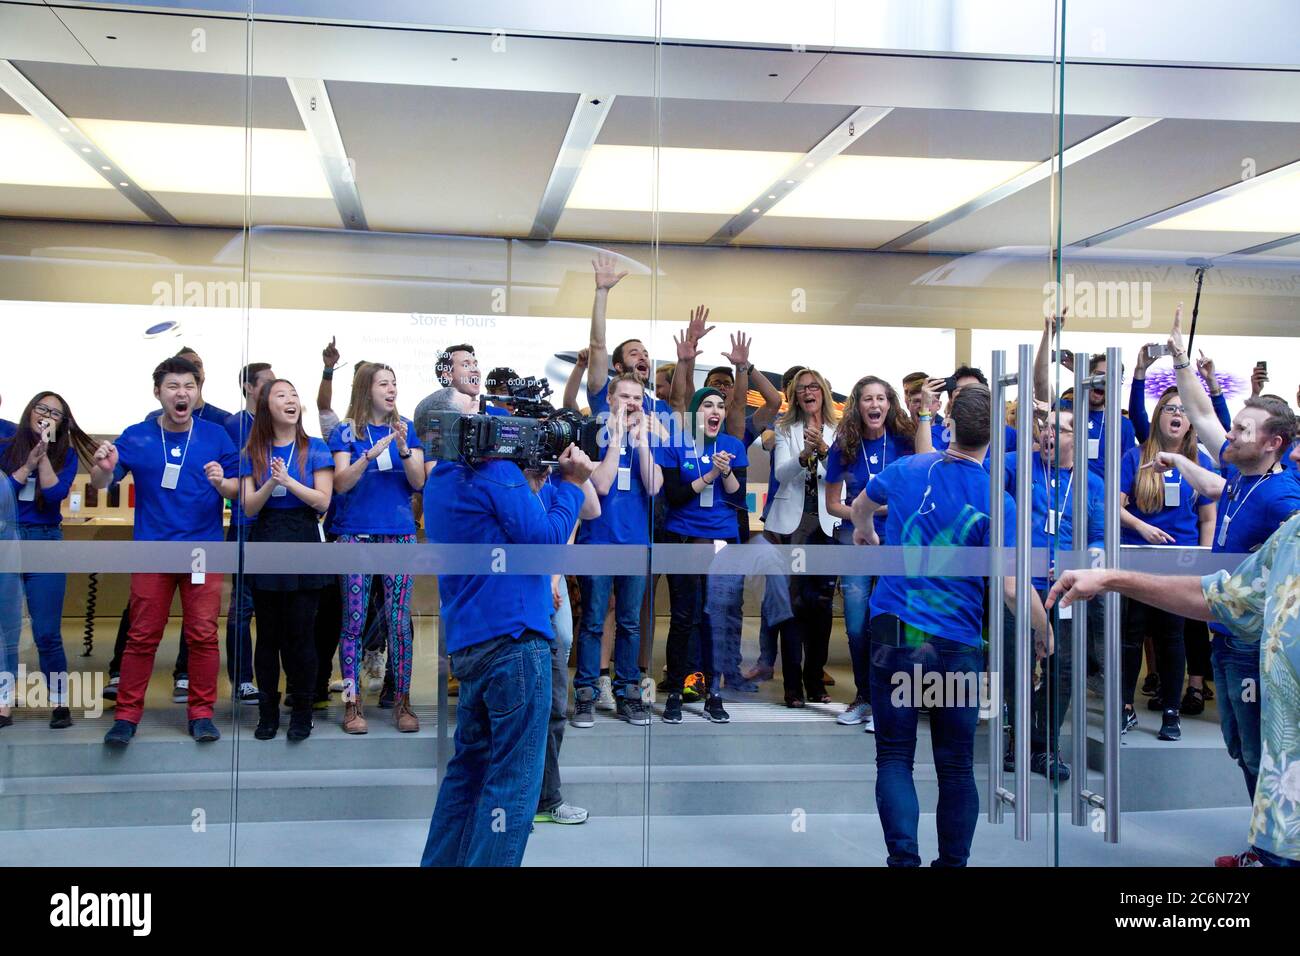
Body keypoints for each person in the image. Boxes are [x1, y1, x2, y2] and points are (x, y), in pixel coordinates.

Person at [851, 384, 1051, 867]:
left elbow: (860, 505)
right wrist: (1043, 634)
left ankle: (904, 861)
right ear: (994, 439)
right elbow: (1009, 589)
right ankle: (952, 865)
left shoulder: (906, 469)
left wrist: (866, 530)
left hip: (896, 634)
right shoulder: (999, 501)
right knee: (957, 765)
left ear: (947, 426)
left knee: (895, 757)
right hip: (957, 645)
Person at [1046, 503, 1300, 867]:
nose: (1294, 454)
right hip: (1284, 821)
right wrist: (1111, 579)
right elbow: (1223, 599)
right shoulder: (1292, 535)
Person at [421, 435, 595, 867]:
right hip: (515, 639)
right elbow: (544, 543)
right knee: (513, 785)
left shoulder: (441, 478)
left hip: (470, 641)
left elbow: (507, 528)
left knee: (467, 776)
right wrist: (571, 483)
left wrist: (534, 486)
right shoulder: (497, 473)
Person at [1166, 306, 1300, 865]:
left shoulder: (1285, 499)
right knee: (1240, 747)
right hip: (1225, 637)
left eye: (1242, 429)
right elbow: (1200, 414)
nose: (1229, 433)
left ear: (1271, 443)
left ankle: (1269, 852)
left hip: (1253, 643)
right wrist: (1178, 359)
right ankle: (1265, 847)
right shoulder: (1244, 474)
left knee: (1260, 753)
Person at [92, 356, 240, 747]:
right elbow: (103, 480)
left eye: (189, 386)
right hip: (153, 553)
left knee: (203, 636)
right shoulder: (137, 435)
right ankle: (126, 716)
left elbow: (238, 488)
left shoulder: (215, 436)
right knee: (142, 636)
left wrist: (223, 483)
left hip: (201, 552)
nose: (182, 393)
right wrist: (103, 468)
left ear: (198, 391)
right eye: (173, 386)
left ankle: (201, 714)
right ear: (157, 392)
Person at [998, 407, 1104, 779]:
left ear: (1077, 439)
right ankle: (1018, 739)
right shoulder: (1015, 467)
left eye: (1060, 430)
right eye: (1045, 426)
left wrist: (1084, 566)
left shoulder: (1092, 483)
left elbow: (1100, 538)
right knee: (1016, 666)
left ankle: (1045, 745)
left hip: (1068, 592)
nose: (1048, 434)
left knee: (1064, 671)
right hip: (1020, 589)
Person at [328, 362, 425, 734]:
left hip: (399, 534)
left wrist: (401, 448)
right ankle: (352, 704)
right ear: (366, 389)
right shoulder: (345, 431)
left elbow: (418, 483)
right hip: (356, 534)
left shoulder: (408, 430)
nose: (391, 389)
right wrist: (368, 455)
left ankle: (402, 701)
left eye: (394, 383)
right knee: (353, 622)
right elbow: (340, 483)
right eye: (384, 383)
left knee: (399, 622)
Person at [1118, 387, 1217, 741]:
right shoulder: (1133, 457)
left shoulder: (1201, 463)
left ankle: (1171, 713)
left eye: (1183, 409)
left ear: (1191, 421)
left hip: (1180, 564)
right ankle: (1125, 708)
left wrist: (1204, 564)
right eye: (1170, 408)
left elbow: (1208, 519)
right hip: (1136, 558)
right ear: (1158, 415)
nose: (1177, 414)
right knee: (1130, 636)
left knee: (1172, 637)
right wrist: (1141, 526)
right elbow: (1115, 507)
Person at [240, 379, 334, 741]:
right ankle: (267, 712)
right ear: (267, 407)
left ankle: (302, 710)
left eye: (294, 394)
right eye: (281, 395)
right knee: (267, 635)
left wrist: (288, 481)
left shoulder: (315, 448)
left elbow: (323, 501)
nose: (291, 400)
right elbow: (248, 506)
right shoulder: (254, 451)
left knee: (301, 633)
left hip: (303, 536)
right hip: (266, 536)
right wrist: (270, 482)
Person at [824, 374, 921, 726]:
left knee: (892, 622)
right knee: (854, 624)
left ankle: (890, 700)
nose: (875, 405)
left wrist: (869, 507)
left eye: (881, 398)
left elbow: (917, 496)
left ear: (890, 403)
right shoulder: (844, 446)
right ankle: (864, 697)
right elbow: (833, 503)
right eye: (868, 399)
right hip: (855, 542)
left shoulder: (905, 442)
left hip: (897, 541)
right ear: (857, 405)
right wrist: (865, 512)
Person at [0, 392, 99, 729]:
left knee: (47, 632)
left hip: (45, 540)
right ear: (29, 411)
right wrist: (26, 463)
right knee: (6, 631)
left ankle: (58, 701)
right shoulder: (6, 445)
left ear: (62, 423)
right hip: (8, 541)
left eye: (54, 413)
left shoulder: (66, 455)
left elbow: (54, 496)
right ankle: (3, 702)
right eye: (41, 408)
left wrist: (42, 459)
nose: (45, 415)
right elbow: (5, 495)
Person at [571, 373, 661, 728]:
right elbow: (603, 484)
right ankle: (585, 696)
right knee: (593, 622)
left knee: (630, 624)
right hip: (598, 544)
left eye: (637, 398)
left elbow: (653, 486)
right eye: (624, 396)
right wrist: (617, 440)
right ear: (609, 399)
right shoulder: (591, 435)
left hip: (636, 544)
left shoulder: (649, 437)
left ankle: (628, 695)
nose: (631, 403)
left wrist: (640, 444)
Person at [655, 387, 747, 724]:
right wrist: (708, 475)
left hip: (722, 538)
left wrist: (725, 473)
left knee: (715, 618)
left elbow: (739, 500)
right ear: (695, 412)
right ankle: (676, 691)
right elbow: (675, 496)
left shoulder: (733, 446)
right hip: (684, 537)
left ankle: (715, 694)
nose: (715, 411)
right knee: (683, 616)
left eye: (721, 406)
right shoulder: (676, 444)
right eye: (708, 405)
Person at [523, 461, 600, 826]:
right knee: (520, 711)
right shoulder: (507, 480)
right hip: (515, 606)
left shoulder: (558, 479)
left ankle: (545, 799)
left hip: (547, 598)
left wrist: (575, 473)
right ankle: (515, 805)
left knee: (554, 705)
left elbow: (590, 511)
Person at [767, 368, 841, 708]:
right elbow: (782, 473)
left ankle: (815, 677)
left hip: (826, 529)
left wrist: (825, 450)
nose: (808, 392)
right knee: (793, 608)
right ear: (795, 396)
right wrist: (802, 456)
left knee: (822, 607)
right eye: (802, 389)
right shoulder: (784, 429)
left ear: (823, 393)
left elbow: (843, 476)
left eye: (814, 387)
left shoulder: (840, 431)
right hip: (791, 528)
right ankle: (793, 686)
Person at [222, 361, 277, 705]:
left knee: (273, 607)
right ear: (249, 388)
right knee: (242, 608)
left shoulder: (279, 425)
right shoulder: (233, 426)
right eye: (267, 384)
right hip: (245, 527)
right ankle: (242, 679)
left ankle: (270, 677)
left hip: (275, 527)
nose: (272, 390)